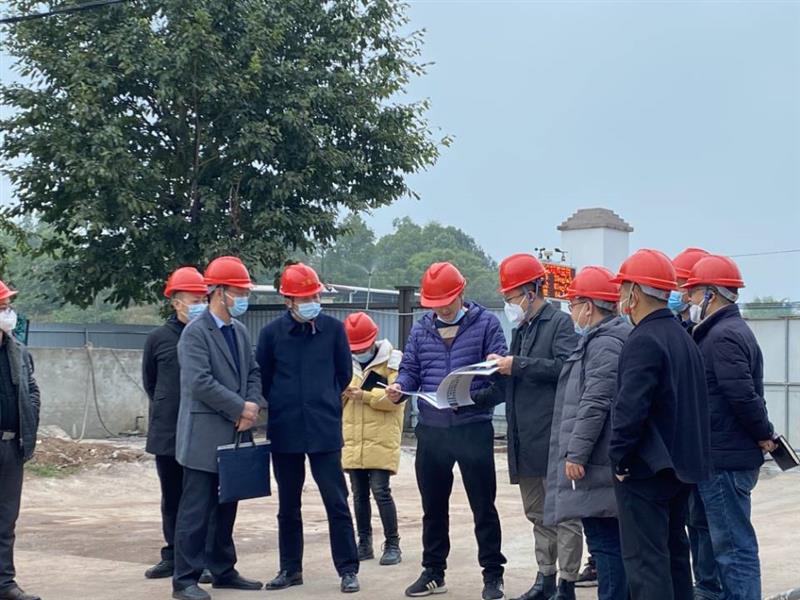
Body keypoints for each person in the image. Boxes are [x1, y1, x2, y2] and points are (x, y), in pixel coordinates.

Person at [386, 261, 507, 600]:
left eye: (447, 301)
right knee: (433, 507)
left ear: (461, 292)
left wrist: (470, 400)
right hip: (432, 430)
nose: (442, 308)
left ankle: (493, 574)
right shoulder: (422, 329)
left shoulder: (486, 324)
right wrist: (400, 388)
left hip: (472, 428)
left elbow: (499, 376)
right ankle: (433, 572)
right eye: (435, 303)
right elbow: (411, 369)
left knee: (483, 506)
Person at [609, 249, 710, 600]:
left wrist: (619, 459)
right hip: (679, 468)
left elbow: (629, 410)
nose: (620, 297)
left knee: (646, 563)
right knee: (675, 555)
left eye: (623, 290)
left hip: (645, 470)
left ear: (635, 293)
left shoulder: (643, 340)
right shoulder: (683, 337)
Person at [257, 263, 360, 594]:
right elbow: (264, 378)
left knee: (336, 500)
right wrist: (285, 401)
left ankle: (348, 568)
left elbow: (344, 374)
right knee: (288, 504)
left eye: (315, 296)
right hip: (285, 428)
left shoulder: (334, 330)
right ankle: (290, 568)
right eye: (304, 298)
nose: (312, 302)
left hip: (323, 428)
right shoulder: (271, 334)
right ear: (288, 301)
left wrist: (323, 398)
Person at [489, 253, 582, 600]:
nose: (509, 305)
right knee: (537, 513)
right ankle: (546, 576)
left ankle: (567, 583)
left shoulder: (560, 323)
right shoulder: (522, 329)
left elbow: (566, 369)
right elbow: (517, 375)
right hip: (524, 438)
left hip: (552, 436)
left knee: (563, 514)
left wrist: (519, 365)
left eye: (511, 297)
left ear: (530, 292)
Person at [172, 256, 265, 600]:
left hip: (235, 430)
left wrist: (252, 405)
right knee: (196, 511)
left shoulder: (238, 331)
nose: (243, 298)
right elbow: (200, 382)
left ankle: (223, 569)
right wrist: (239, 407)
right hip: (203, 436)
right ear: (219, 292)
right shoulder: (195, 333)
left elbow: (253, 372)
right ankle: (185, 579)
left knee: (227, 506)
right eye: (239, 292)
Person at [685, 255, 775, 600]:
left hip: (725, 460)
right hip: (723, 455)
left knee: (734, 549)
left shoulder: (722, 336)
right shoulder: (724, 331)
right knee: (723, 543)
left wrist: (764, 433)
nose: (690, 300)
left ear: (711, 294)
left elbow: (742, 395)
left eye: (694, 293)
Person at [542, 267, 631, 600]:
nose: (572, 312)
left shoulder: (605, 344)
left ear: (589, 307)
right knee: (608, 544)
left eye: (573, 305)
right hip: (599, 460)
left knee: (606, 546)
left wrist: (576, 453)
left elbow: (595, 402)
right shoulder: (601, 339)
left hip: (596, 462)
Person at [142, 267, 213, 583]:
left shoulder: (210, 336)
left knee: (201, 499)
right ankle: (172, 555)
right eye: (193, 300)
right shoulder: (158, 338)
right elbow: (151, 382)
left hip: (201, 431)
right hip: (168, 431)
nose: (200, 305)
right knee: (171, 497)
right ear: (175, 302)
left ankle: (202, 559)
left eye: (203, 299)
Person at [670, 247, 721, 600]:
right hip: (686, 445)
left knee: (706, 523)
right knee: (692, 520)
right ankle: (701, 584)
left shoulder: (712, 334)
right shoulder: (682, 328)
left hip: (709, 444)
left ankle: (709, 586)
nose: (677, 294)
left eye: (681, 287)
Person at [341, 312, 404, 566]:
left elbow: (395, 400)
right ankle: (364, 543)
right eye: (354, 348)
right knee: (358, 494)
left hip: (381, 438)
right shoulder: (344, 362)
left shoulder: (393, 361)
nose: (359, 351)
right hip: (353, 438)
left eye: (362, 347)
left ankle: (392, 544)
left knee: (380, 491)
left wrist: (364, 396)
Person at [0, 281, 41, 600]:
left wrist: (29, 424)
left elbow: (32, 390)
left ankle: (4, 583)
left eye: (7, 307)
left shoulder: (17, 350)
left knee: (5, 519)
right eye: (2, 308)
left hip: (11, 446)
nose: (8, 313)